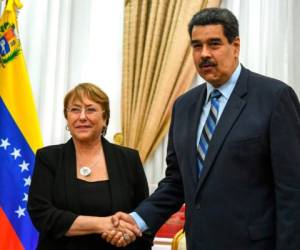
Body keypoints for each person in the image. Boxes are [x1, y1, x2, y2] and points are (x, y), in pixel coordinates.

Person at [107, 7, 300, 250]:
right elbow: (176, 183)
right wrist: (136, 220)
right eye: (197, 46)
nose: (204, 54)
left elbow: (292, 191)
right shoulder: (183, 106)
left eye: (214, 44)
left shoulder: (274, 98)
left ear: (236, 45)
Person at [28, 83, 152, 250]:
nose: (82, 117)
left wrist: (127, 236)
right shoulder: (48, 158)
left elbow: (145, 215)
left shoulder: (129, 159)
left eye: (91, 109)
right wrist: (103, 224)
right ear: (67, 117)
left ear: (105, 118)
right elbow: (41, 214)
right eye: (75, 110)